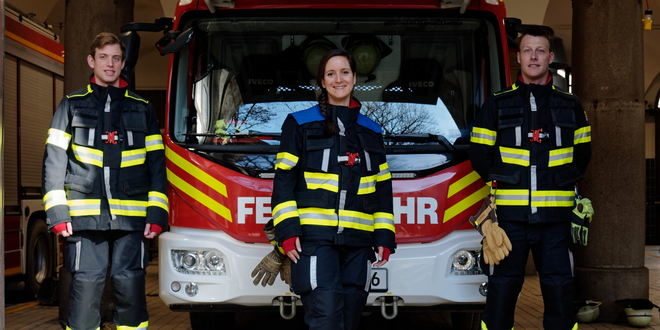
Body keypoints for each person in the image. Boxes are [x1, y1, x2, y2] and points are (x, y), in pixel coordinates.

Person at [42, 32, 168, 330]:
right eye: (103, 57)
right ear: (91, 60)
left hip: (132, 215)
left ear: (123, 63)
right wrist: (58, 214)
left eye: (115, 58)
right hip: (84, 216)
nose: (109, 64)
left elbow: (157, 164)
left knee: (131, 284)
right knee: (85, 284)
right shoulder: (71, 105)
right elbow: (54, 160)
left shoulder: (142, 107)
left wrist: (157, 213)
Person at [469, 27, 591, 330]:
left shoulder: (571, 105)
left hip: (556, 220)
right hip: (509, 219)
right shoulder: (497, 104)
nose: (533, 56)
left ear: (550, 57)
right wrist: (505, 179)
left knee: (560, 290)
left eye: (540, 50)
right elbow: (479, 155)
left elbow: (583, 156)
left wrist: (559, 182)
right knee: (501, 292)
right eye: (527, 50)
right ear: (518, 57)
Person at [271, 49, 396, 330]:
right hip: (314, 240)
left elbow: (382, 190)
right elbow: (283, 182)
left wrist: (385, 236)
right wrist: (287, 233)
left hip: (359, 243)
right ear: (323, 82)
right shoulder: (299, 124)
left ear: (354, 78)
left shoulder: (372, 131)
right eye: (331, 73)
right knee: (325, 317)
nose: (338, 79)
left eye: (344, 72)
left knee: (350, 319)